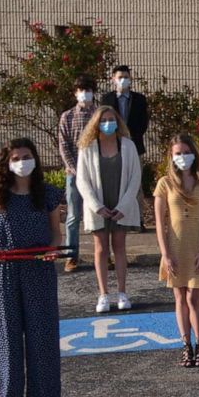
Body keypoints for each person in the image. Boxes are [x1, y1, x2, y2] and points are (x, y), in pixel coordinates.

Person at [0, 139, 64, 397]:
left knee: (40, 332)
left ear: (35, 159)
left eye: (27, 156)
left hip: (37, 270)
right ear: (7, 163)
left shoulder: (47, 194)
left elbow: (56, 234)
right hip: (2, 271)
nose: (22, 162)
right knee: (6, 335)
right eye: (16, 158)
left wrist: (51, 250)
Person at [153, 135, 199, 368]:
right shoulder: (164, 184)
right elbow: (160, 223)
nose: (182, 157)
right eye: (177, 153)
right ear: (171, 156)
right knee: (179, 297)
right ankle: (185, 345)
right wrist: (165, 253)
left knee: (194, 297)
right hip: (175, 248)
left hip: (197, 247)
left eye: (186, 152)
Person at [76, 105, 142, 314]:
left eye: (111, 119)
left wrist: (125, 205)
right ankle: (103, 294)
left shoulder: (128, 146)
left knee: (120, 247)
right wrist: (97, 206)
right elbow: (82, 180)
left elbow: (135, 178)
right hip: (99, 206)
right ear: (96, 123)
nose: (107, 124)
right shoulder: (87, 148)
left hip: (121, 202)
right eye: (103, 120)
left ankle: (122, 292)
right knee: (101, 248)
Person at [55, 74, 97, 273]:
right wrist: (75, 169)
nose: (84, 94)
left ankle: (103, 255)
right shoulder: (67, 116)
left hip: (96, 172)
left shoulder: (100, 114)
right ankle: (71, 256)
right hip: (73, 173)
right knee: (73, 216)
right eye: (81, 90)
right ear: (75, 93)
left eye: (88, 90)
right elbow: (64, 146)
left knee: (99, 212)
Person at [108, 64, 149, 158]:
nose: (123, 80)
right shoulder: (107, 99)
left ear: (130, 79)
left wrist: (131, 136)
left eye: (126, 77)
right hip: (113, 145)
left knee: (136, 172)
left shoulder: (139, 99)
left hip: (135, 145)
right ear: (113, 79)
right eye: (120, 77)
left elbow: (143, 122)